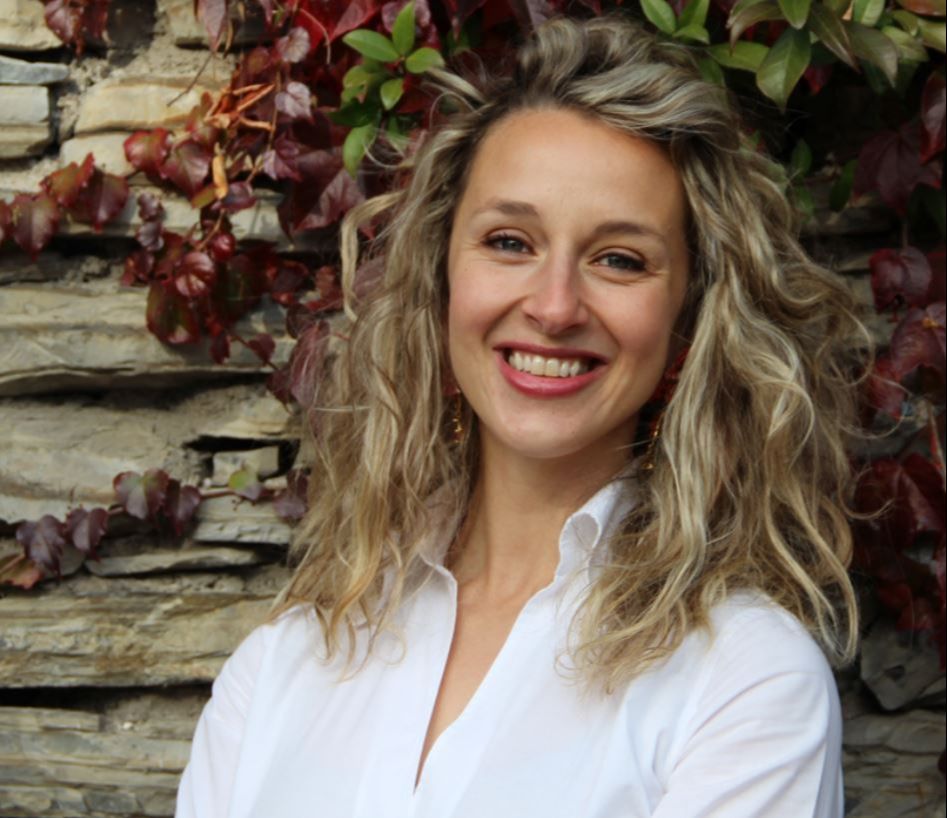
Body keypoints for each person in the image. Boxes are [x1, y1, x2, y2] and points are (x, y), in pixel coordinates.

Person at [176, 15, 867, 818]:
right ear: (439, 277)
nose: (554, 305)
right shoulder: (282, 665)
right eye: (509, 241)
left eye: (619, 259)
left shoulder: (744, 683)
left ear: (688, 318)